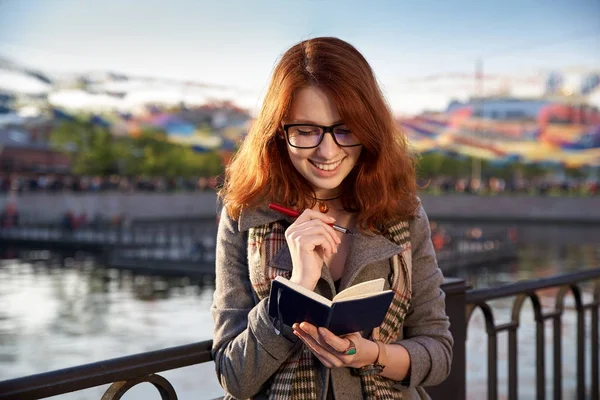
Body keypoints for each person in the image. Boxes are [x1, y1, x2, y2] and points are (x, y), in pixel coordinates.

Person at [211, 37, 453, 400]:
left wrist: (369, 354)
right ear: (279, 133)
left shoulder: (401, 210)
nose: (327, 151)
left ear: (369, 129)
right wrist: (296, 287)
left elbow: (439, 352)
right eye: (306, 131)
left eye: (345, 129)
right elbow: (233, 376)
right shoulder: (245, 215)